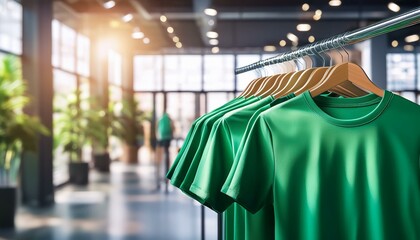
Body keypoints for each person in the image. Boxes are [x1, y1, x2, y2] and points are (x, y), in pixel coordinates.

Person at [156, 112, 174, 192]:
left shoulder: (160, 120)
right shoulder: (169, 120)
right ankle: (167, 164)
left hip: (161, 139)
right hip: (167, 139)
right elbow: (172, 128)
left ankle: (161, 164)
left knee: (160, 155)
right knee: (167, 153)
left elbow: (157, 130)